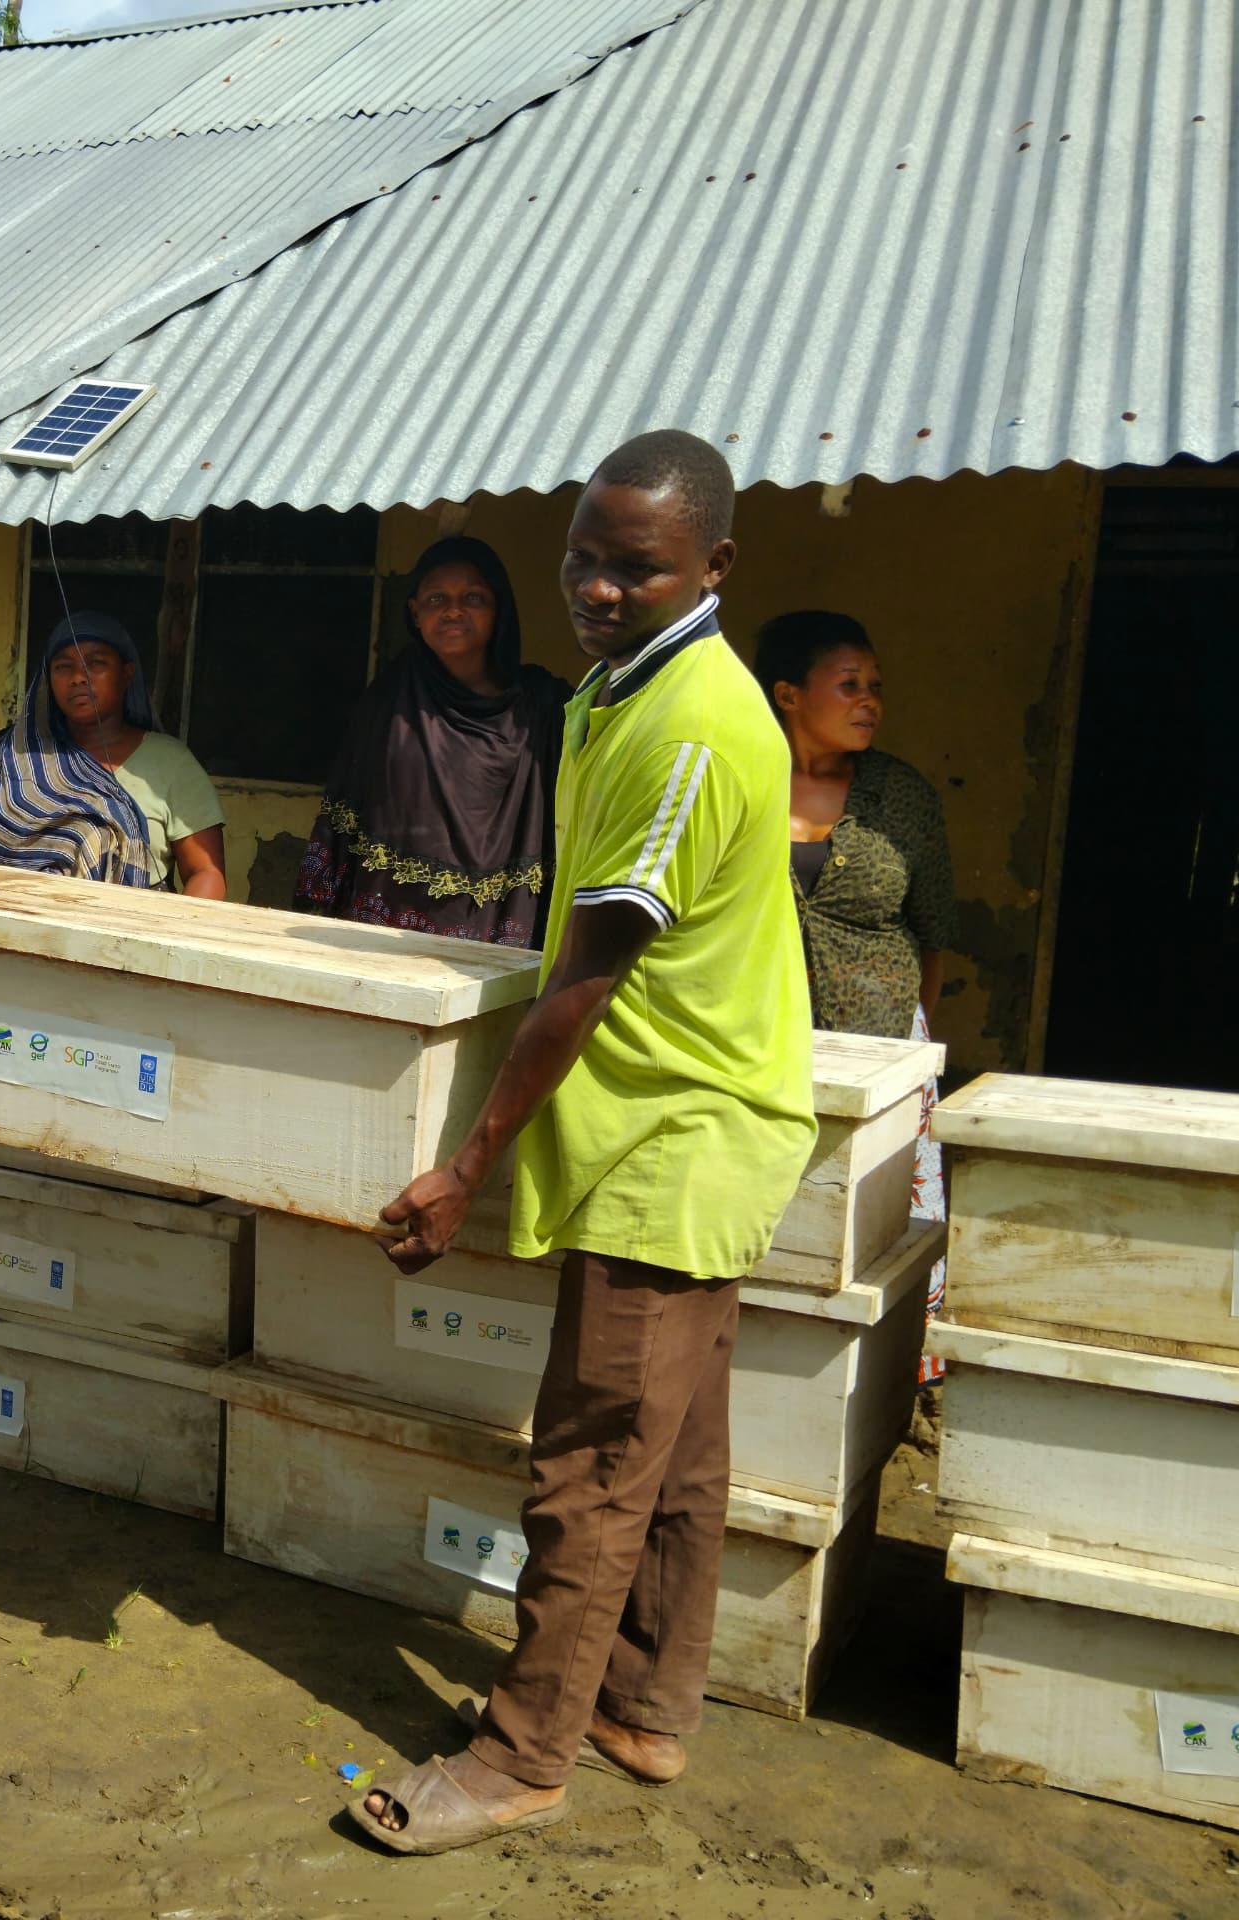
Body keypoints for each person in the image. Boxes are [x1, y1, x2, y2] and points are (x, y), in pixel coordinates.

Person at [356, 430, 815, 1854]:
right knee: (673, 1454)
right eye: (584, 559)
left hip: (673, 1137)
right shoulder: (629, 691)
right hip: (687, 1119)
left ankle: (520, 1754)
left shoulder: (689, 723)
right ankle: (644, 1710)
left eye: (638, 568)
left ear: (715, 568)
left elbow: (589, 977)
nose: (598, 591)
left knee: (593, 1459)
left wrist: (465, 1162)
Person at [757, 610, 957, 1378]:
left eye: (876, 686)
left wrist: (904, 1053)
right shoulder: (745, 775)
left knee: (882, 1232)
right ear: (788, 694)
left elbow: (932, 929)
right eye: (849, 685)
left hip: (882, 1050)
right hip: (761, 1045)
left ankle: (884, 1388)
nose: (870, 700)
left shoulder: (900, 796)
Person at [295, 537, 566, 944]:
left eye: (472, 598)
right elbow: (347, 813)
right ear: (414, 612)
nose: (454, 611)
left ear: (499, 608)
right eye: (437, 599)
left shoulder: (542, 706)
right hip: (390, 925)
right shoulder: (389, 700)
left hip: (497, 923)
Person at [0, 610, 226, 897]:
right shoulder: (16, 758)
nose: (78, 677)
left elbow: (206, 873)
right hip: (15, 930)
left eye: (96, 663)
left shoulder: (171, 763)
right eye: (63, 666)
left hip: (130, 933)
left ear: (127, 673)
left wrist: (166, 936)